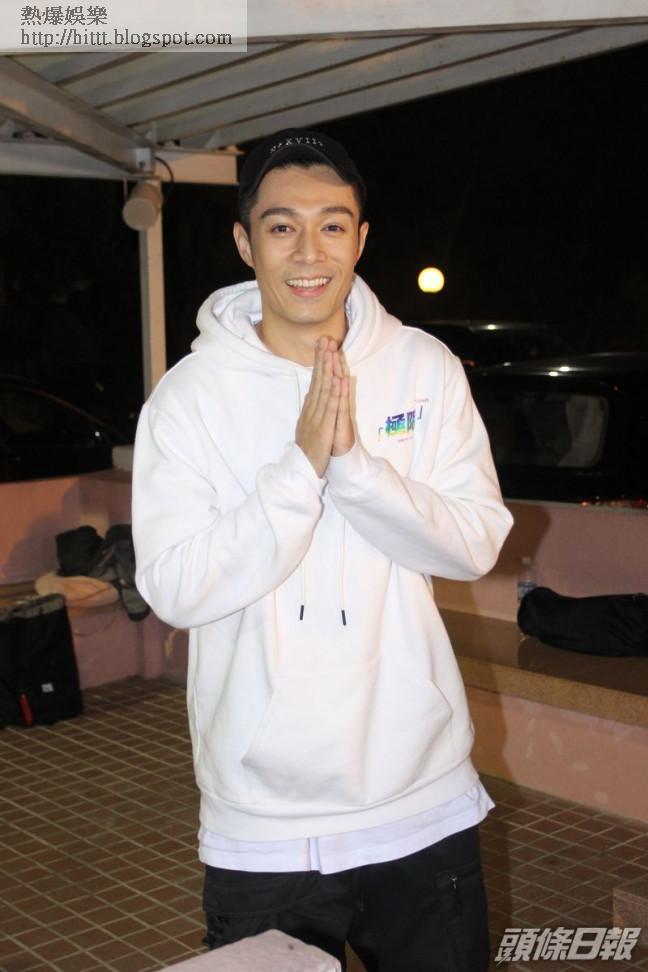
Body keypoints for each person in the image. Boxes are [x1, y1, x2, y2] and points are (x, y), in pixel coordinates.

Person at [132, 128, 513, 972]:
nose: (310, 252)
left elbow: (476, 542)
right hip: (263, 824)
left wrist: (356, 469)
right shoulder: (187, 400)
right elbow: (174, 587)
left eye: (332, 225)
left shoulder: (423, 368)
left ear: (361, 239)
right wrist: (299, 469)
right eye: (282, 226)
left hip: (422, 801)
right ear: (245, 243)